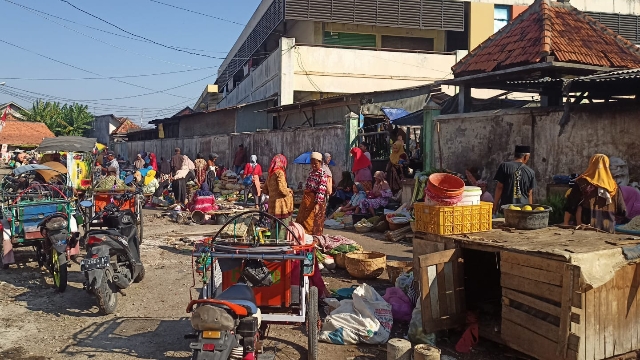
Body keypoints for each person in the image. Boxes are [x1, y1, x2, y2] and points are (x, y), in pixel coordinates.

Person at [563, 154, 626, 233]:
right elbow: (622, 211)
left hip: (585, 230)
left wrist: (565, 223)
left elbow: (571, 205)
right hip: (607, 230)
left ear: (591, 164)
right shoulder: (613, 186)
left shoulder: (582, 183)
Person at [493, 145, 536, 213]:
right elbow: (529, 193)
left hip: (507, 209)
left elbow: (499, 187)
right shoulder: (531, 172)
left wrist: (495, 205)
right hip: (523, 210)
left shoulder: (504, 166)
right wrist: (530, 211)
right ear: (525, 156)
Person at [296, 152, 329, 236]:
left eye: (316, 163)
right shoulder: (311, 173)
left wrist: (317, 204)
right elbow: (308, 186)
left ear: (320, 163)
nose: (313, 165)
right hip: (307, 201)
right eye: (312, 163)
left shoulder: (322, 174)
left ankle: (313, 240)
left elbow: (321, 190)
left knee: (314, 222)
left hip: (316, 201)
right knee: (303, 220)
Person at [263, 154, 294, 223]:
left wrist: (272, 193)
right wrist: (289, 191)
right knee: (282, 228)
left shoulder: (270, 174)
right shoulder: (280, 172)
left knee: (274, 226)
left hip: (272, 205)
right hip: (281, 206)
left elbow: (265, 189)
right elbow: (282, 189)